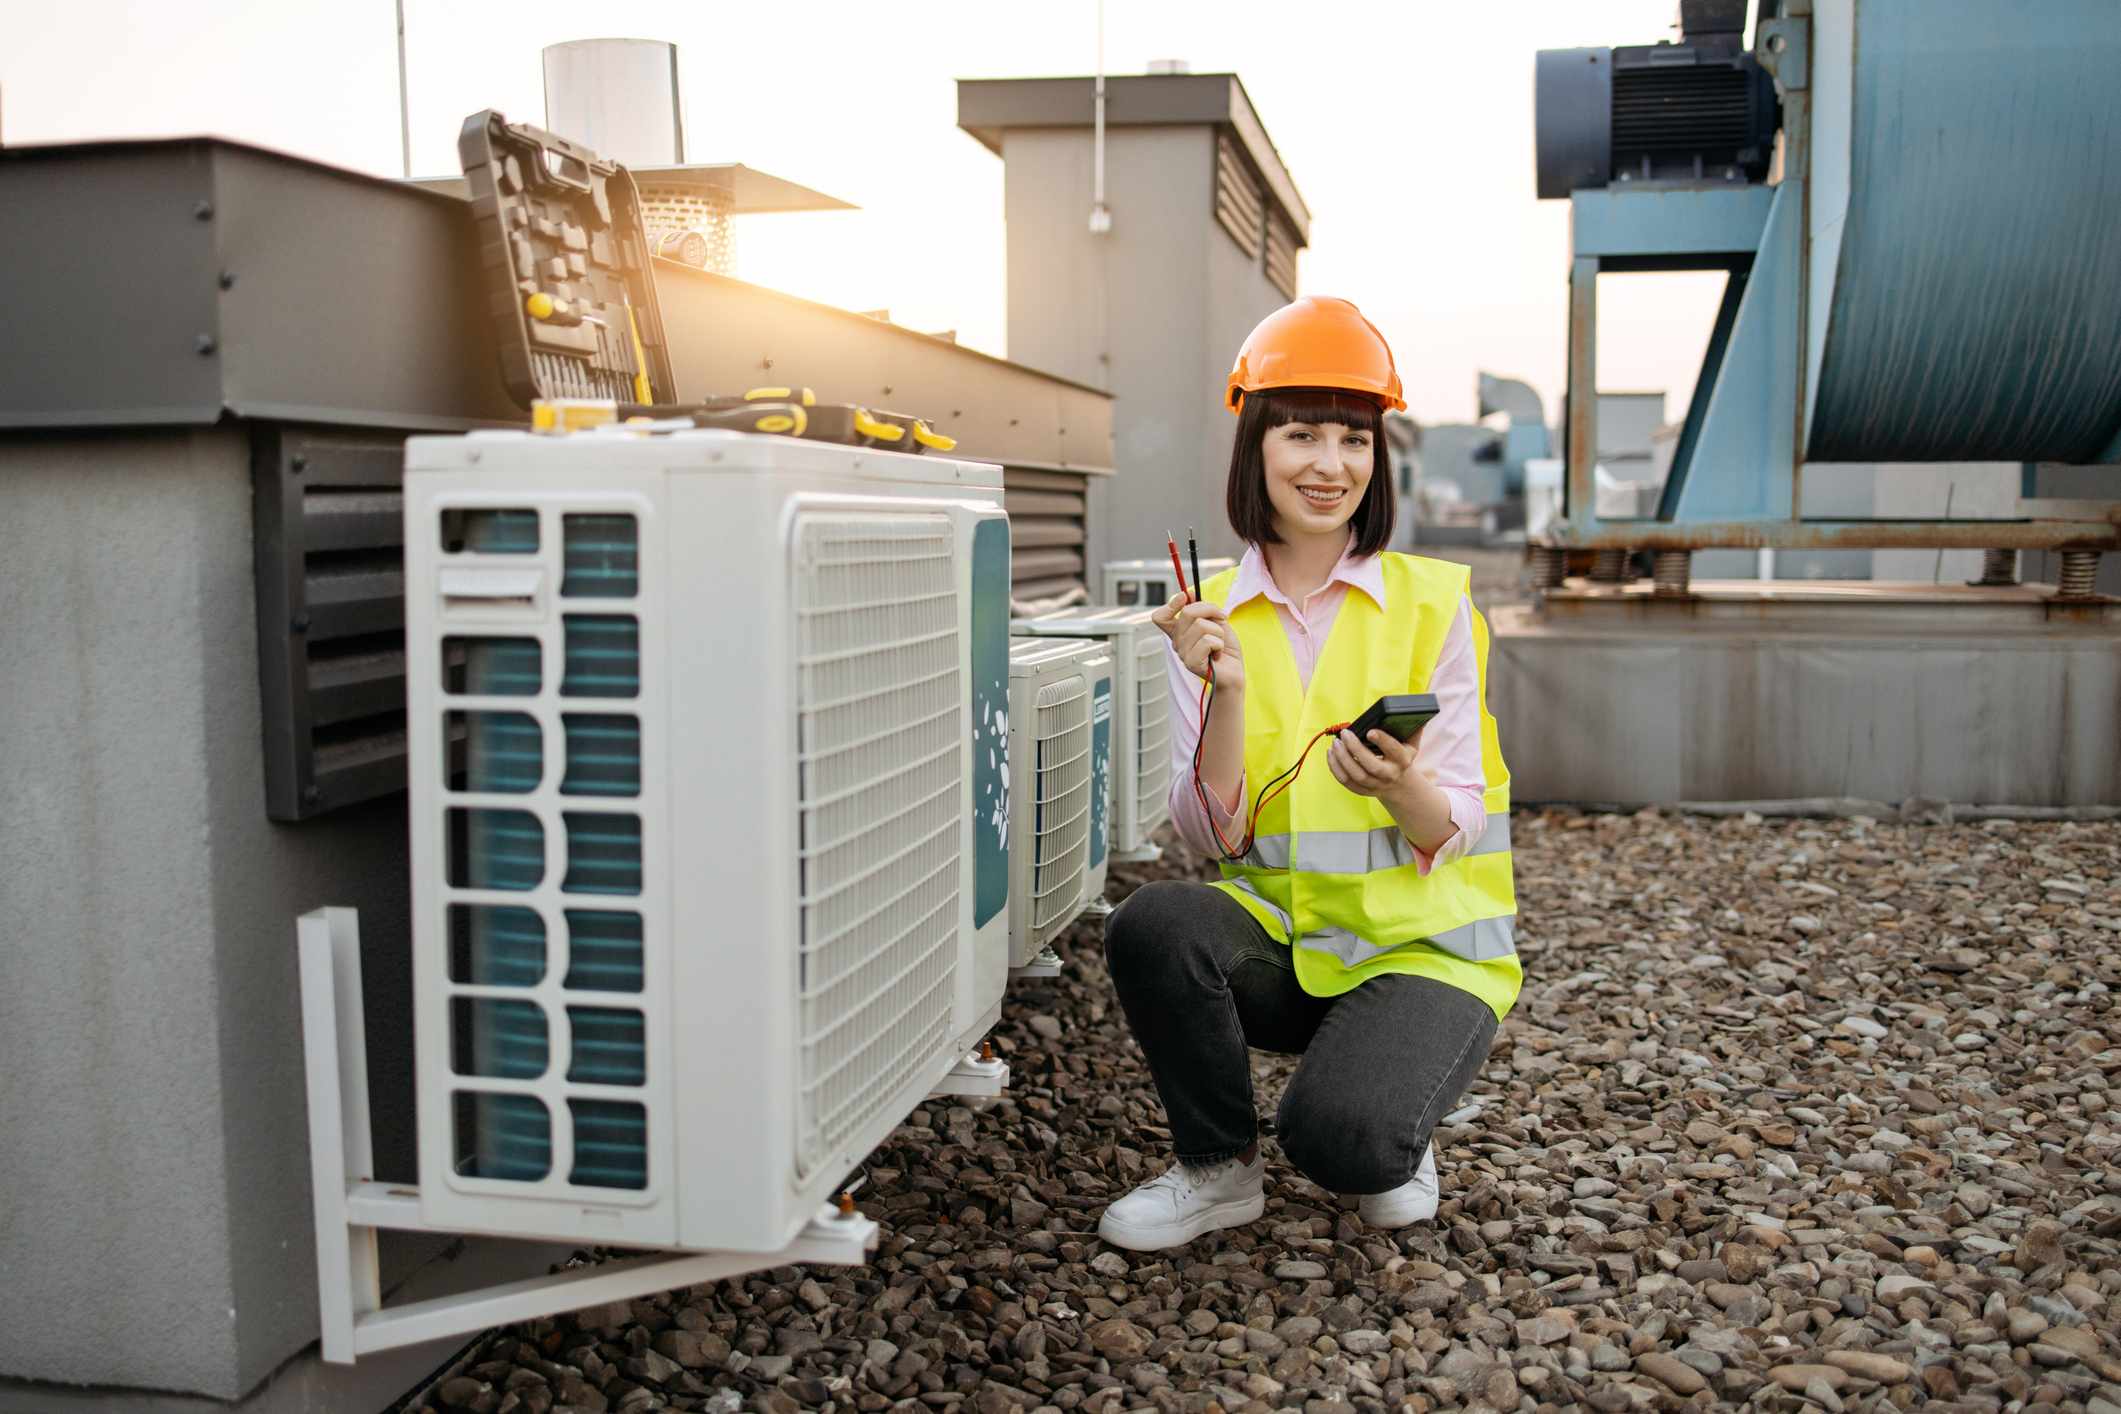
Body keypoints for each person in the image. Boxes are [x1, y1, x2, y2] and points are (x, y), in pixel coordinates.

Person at [1095, 296, 1520, 1252]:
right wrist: (1226, 692)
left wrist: (1397, 785)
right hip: (1286, 945)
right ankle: (1215, 1172)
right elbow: (1208, 840)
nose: (1330, 465)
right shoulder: (1205, 617)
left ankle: (1393, 1109)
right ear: (1255, 448)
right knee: (1153, 922)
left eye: (1354, 440)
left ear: (1378, 458)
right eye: (1301, 435)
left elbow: (1456, 822)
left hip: (1423, 953)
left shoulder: (1435, 602)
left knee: (1345, 1146)